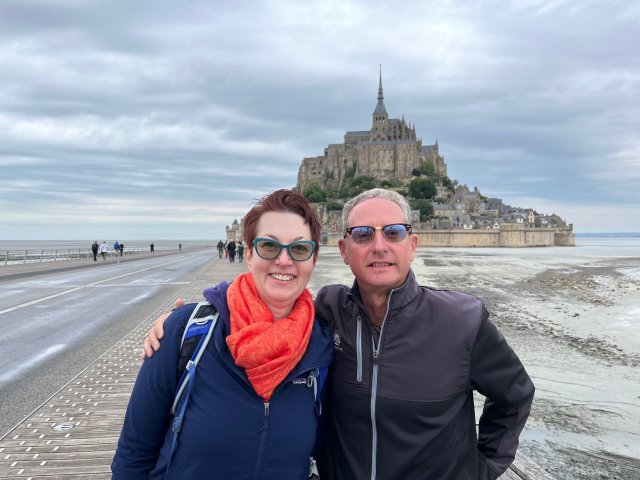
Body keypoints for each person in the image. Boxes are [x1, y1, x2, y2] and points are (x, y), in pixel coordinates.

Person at [144, 188, 535, 479]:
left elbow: (515, 396)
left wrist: (479, 469)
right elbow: (275, 307)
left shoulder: (461, 319)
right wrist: (192, 317)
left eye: (393, 233)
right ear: (344, 250)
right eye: (364, 234)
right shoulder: (327, 311)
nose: (379, 246)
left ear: (412, 245)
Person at [112, 189, 333, 479]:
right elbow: (133, 455)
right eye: (269, 246)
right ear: (249, 253)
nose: (284, 260)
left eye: (300, 249)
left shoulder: (322, 343)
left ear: (313, 259)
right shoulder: (184, 331)